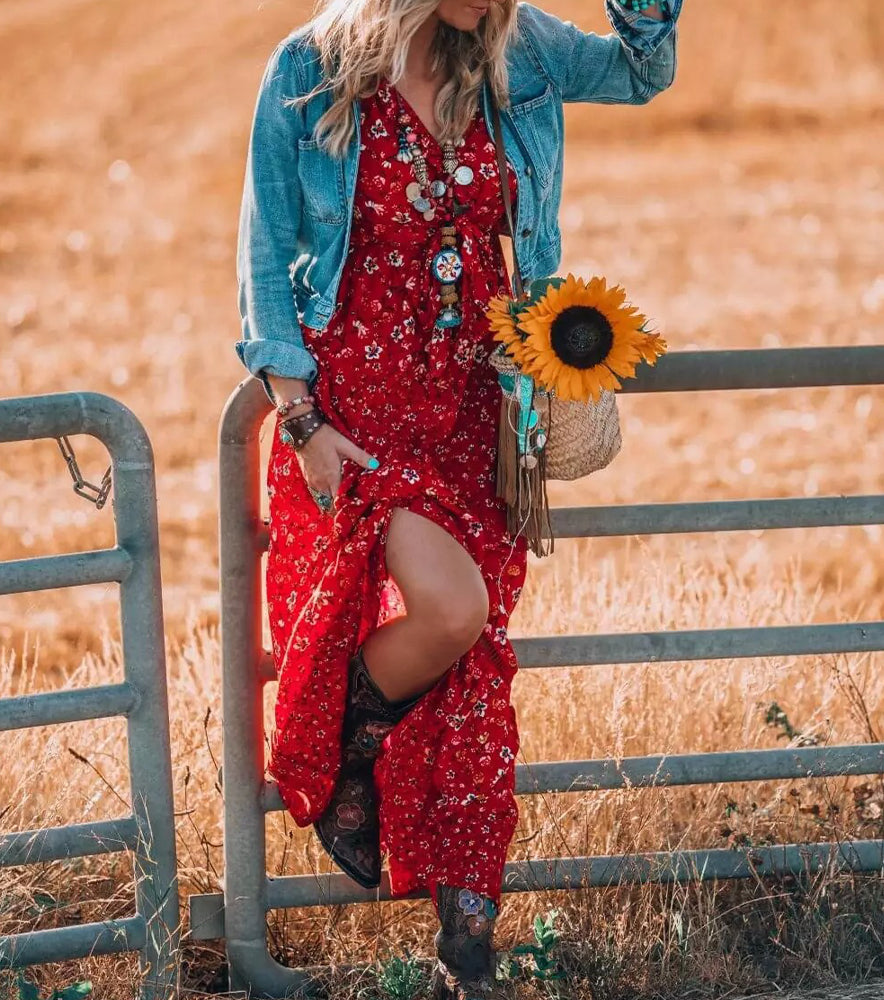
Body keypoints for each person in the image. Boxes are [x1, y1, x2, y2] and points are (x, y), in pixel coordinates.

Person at [234, 0, 681, 995]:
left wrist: (647, 11)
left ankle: (465, 954)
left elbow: (639, 75)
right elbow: (265, 254)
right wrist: (298, 416)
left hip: (483, 413)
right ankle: (340, 742)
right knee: (451, 612)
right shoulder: (310, 67)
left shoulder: (519, 48)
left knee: (474, 677)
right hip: (358, 411)